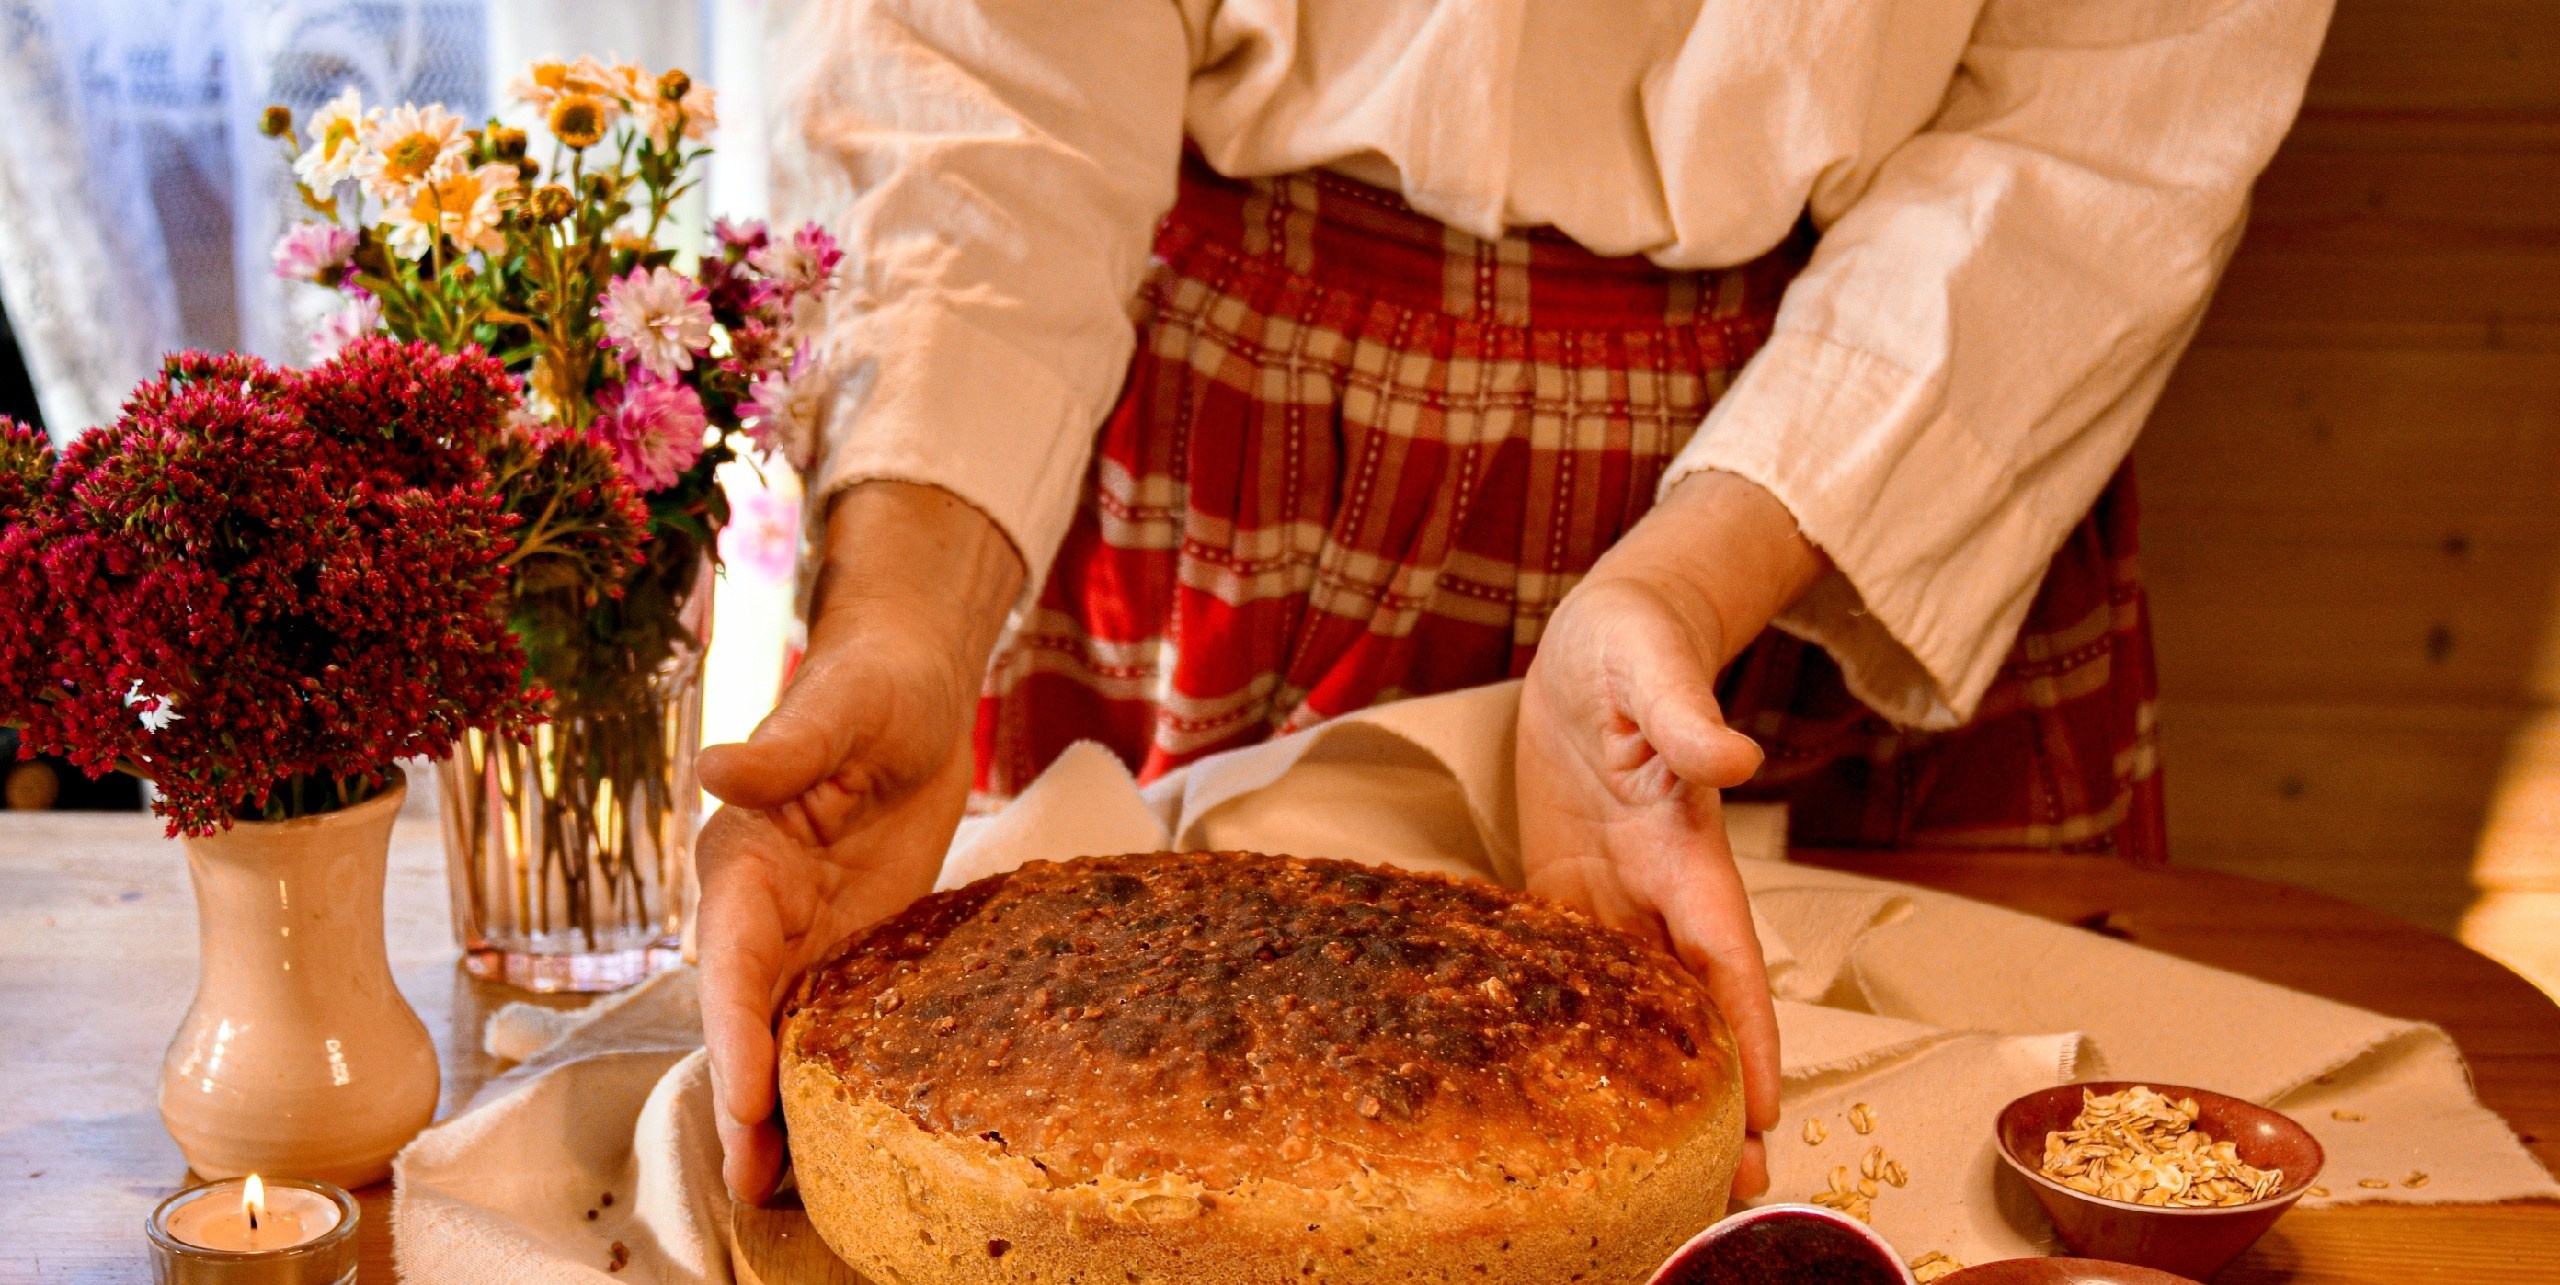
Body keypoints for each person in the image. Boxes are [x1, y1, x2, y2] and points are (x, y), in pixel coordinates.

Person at [697, 0, 2330, 1205]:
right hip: (1207, 444)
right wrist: (902, 621)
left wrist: (1693, 581)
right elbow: (979, 62)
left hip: (1852, 459)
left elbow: (2104, 122)